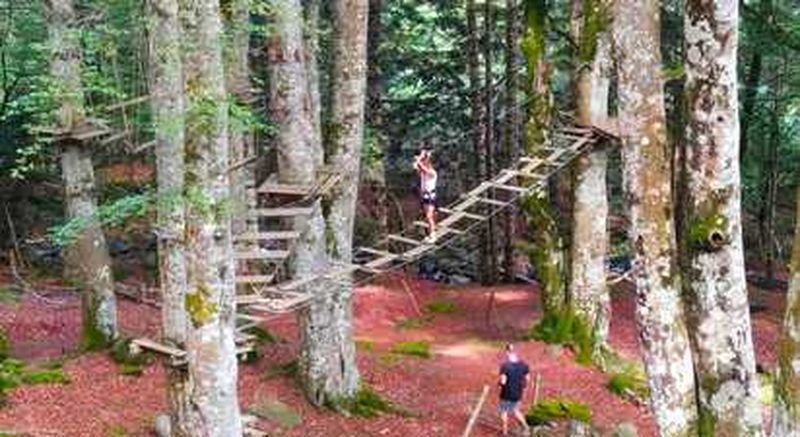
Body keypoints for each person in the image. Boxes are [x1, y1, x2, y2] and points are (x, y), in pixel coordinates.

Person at [498, 344, 531, 436]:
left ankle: (504, 432)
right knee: (515, 411)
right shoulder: (524, 365)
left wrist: (499, 384)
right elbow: (528, 378)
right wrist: (522, 386)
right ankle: (526, 427)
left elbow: (503, 381)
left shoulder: (505, 366)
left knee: (503, 411)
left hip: (506, 393)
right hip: (518, 393)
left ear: (507, 352)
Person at [413, 148, 438, 242]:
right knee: (426, 216)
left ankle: (433, 235)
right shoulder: (423, 173)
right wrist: (421, 157)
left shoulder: (432, 173)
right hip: (425, 196)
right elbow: (417, 167)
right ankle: (429, 234)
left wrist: (420, 158)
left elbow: (422, 167)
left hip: (431, 196)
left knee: (429, 216)